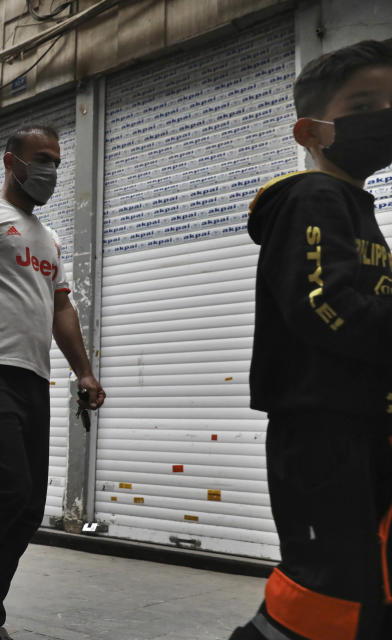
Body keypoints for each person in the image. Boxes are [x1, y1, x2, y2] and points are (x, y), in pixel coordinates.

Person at [230, 40, 392, 640]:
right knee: (327, 594)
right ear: (312, 131)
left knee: (367, 589)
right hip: (324, 434)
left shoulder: (356, 208)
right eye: (365, 102)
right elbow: (327, 307)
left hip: (365, 427)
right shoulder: (312, 197)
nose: (384, 115)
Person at [0, 125, 105, 640]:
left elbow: (61, 308)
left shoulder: (49, 238)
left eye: (56, 159)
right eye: (42, 159)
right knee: (4, 490)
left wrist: (85, 371)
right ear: (13, 161)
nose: (51, 170)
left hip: (34, 380)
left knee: (27, 509)